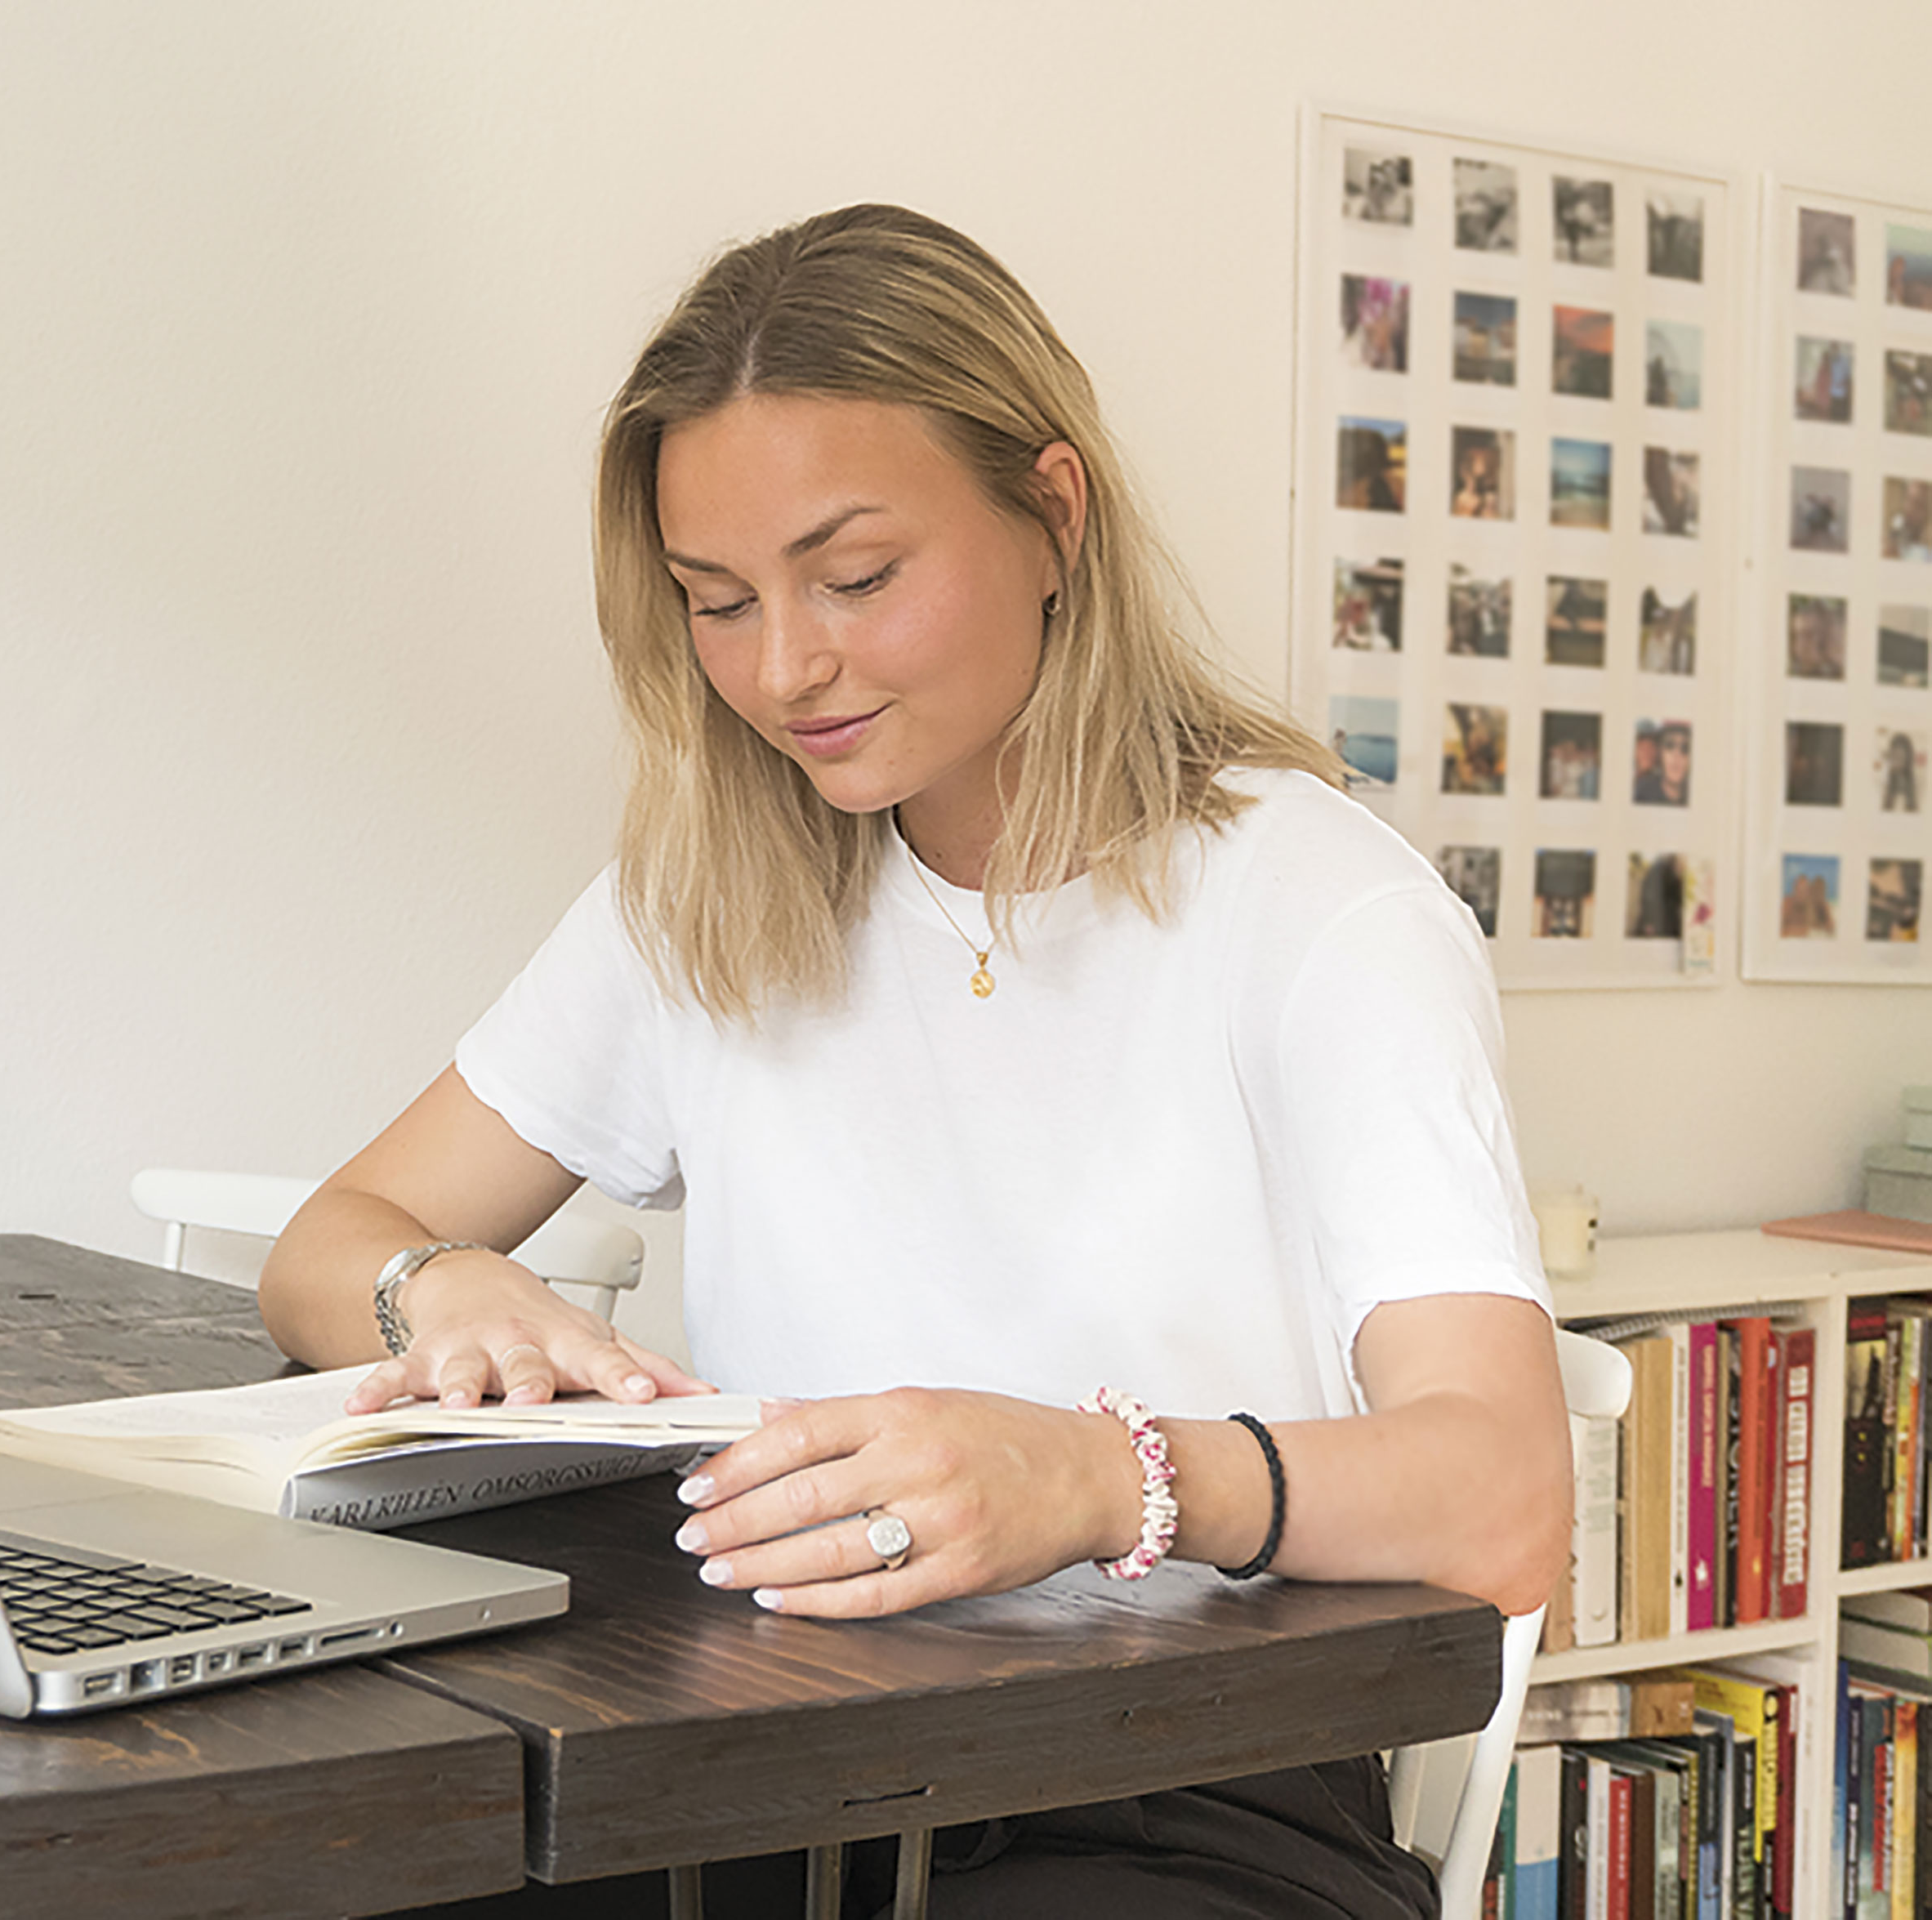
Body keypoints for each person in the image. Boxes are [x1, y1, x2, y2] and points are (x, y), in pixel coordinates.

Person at [258, 204, 1570, 1919]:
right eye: (715, 601)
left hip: (1167, 1790)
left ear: (1050, 512)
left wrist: (1103, 1474)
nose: (783, 665)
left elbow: (1500, 1496)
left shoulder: (1318, 911)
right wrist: (438, 1288)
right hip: (749, 1761)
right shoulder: (709, 887)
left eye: (853, 577)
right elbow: (329, 1238)